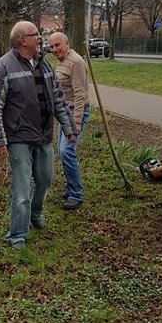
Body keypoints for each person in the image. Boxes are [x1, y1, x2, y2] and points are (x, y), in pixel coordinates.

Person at [0, 21, 75, 249]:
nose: (40, 39)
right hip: (19, 138)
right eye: (36, 35)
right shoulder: (2, 67)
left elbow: (57, 99)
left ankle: (35, 215)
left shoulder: (43, 66)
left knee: (44, 180)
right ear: (23, 40)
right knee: (22, 189)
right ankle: (17, 235)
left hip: (43, 136)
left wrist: (68, 127)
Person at [49, 32, 90, 210]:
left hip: (75, 113)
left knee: (66, 150)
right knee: (61, 150)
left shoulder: (76, 62)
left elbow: (80, 94)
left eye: (58, 45)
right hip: (64, 112)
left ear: (67, 43)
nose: (54, 49)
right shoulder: (62, 61)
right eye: (51, 47)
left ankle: (75, 194)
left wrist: (77, 122)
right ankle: (70, 187)